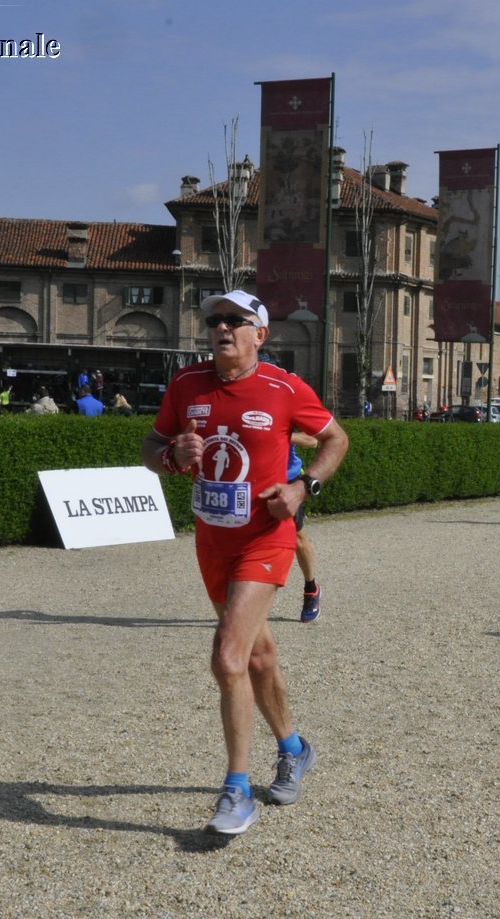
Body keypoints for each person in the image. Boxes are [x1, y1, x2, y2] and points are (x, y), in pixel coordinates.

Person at [141, 289, 349, 836]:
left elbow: (335, 437)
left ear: (261, 333)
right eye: (215, 320)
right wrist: (169, 457)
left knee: (227, 656)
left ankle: (235, 791)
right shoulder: (186, 385)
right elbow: (151, 446)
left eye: (236, 320)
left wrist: (305, 487)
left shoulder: (283, 386)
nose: (222, 327)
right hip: (213, 540)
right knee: (257, 656)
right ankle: (295, 748)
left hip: (266, 536)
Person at [287, 432, 323, 622]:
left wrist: (283, 435)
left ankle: (311, 589)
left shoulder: (284, 403)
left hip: (288, 480)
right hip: (254, 480)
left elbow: (312, 440)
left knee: (297, 539)